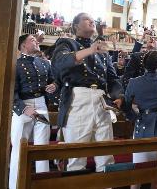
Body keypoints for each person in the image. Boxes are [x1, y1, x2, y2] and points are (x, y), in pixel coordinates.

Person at [51, 13, 123, 172]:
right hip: (78, 98)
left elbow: (112, 78)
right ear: (76, 26)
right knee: (77, 157)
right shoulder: (67, 43)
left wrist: (118, 96)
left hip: (102, 100)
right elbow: (59, 63)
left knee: (106, 157)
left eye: (93, 19)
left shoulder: (101, 51)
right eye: (86, 19)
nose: (92, 21)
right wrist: (89, 51)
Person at [124, 35, 157, 189]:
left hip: (142, 125)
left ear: (144, 64)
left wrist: (134, 116)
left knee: (139, 171)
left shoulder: (134, 83)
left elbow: (126, 107)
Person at [9, 34, 56, 189]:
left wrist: (53, 86)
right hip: (23, 107)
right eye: (32, 40)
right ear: (23, 45)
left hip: (41, 105)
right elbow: (10, 91)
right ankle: (14, 186)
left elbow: (53, 81)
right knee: (18, 150)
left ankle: (43, 185)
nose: (36, 41)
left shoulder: (44, 63)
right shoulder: (15, 64)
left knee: (42, 150)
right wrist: (23, 108)